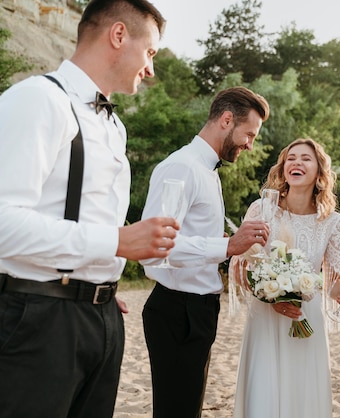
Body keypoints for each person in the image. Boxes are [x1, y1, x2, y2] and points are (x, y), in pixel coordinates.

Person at [0, 1, 172, 417]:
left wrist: (99, 281)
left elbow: (79, 216)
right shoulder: (37, 99)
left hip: (102, 318)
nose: (150, 70)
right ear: (118, 35)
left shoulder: (114, 126)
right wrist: (116, 241)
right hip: (39, 318)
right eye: (150, 52)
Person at [139, 86, 270, 418]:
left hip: (196, 309)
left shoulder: (207, 171)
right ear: (227, 120)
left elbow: (185, 236)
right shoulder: (182, 167)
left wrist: (218, 241)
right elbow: (154, 247)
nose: (250, 144)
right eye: (249, 134)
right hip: (177, 311)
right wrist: (227, 245)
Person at [230, 138, 340, 418]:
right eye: (291, 158)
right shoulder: (261, 210)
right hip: (265, 316)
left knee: (302, 396)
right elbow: (239, 267)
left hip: (304, 317)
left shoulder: (332, 221)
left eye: (306, 158)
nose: (297, 162)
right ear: (283, 167)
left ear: (320, 172)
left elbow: (334, 280)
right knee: (264, 393)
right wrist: (269, 296)